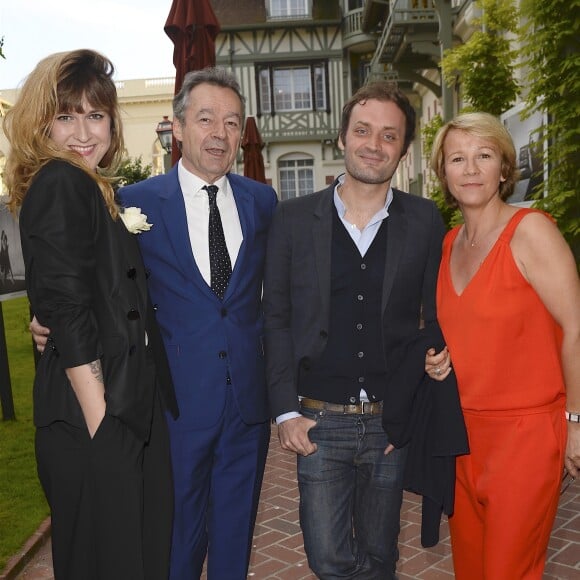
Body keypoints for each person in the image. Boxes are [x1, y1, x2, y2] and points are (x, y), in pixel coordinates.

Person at [3, 49, 179, 580]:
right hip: (95, 420)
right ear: (41, 122)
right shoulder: (62, 182)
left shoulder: (90, 187)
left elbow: (76, 299)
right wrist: (106, 427)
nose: (84, 131)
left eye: (96, 115)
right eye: (66, 115)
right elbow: (69, 311)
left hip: (118, 409)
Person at [263, 82, 447, 579]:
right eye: (363, 131)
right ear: (342, 137)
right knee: (328, 559)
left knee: (381, 554)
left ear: (403, 149)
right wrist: (285, 412)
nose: (374, 144)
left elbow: (435, 315)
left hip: (391, 421)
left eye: (389, 136)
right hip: (319, 423)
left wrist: (424, 385)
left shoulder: (425, 220)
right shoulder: (293, 219)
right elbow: (275, 318)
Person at [426, 111, 580, 579]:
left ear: (504, 169)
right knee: (470, 572)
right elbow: (464, 330)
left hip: (525, 438)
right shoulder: (449, 244)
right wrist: (435, 362)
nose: (471, 169)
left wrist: (576, 421)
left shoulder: (532, 231)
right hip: (459, 436)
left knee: (509, 572)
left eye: (484, 156)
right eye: (458, 158)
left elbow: (576, 327)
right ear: (445, 175)